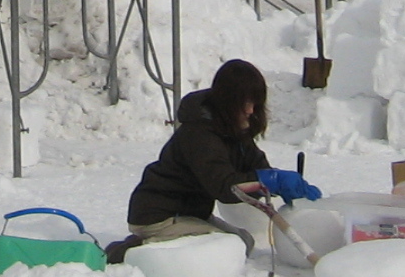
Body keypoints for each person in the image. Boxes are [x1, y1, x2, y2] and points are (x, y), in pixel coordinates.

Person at [114, 59, 315, 257]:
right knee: (229, 248)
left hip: (189, 213)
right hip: (159, 216)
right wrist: (267, 182)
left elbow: (254, 163)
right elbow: (223, 186)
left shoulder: (231, 127)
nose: (250, 111)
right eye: (244, 103)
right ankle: (139, 250)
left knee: (243, 241)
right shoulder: (200, 134)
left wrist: (279, 179)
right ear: (227, 100)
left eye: (254, 102)